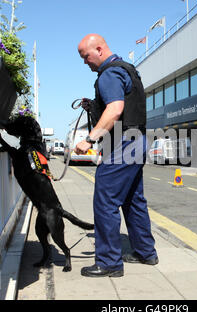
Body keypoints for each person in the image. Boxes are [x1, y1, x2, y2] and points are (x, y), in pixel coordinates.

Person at [75, 34, 158, 278]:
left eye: (86, 56)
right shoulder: (127, 69)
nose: (85, 62)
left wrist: (89, 139)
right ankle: (145, 252)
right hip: (138, 141)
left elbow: (115, 109)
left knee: (106, 201)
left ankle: (109, 262)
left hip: (121, 144)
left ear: (99, 49)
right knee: (133, 199)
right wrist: (93, 106)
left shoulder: (109, 74)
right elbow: (123, 106)